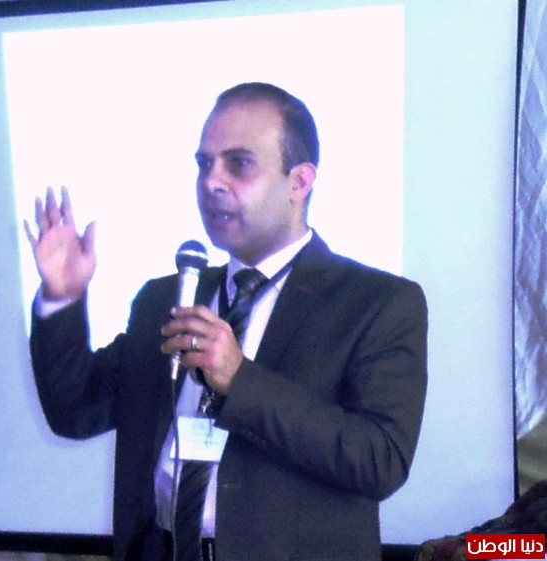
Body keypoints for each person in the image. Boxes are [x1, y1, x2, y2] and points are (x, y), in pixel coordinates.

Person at [26, 82, 428, 561]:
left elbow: (380, 461)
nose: (211, 182)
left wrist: (239, 380)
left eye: (238, 163)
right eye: (204, 163)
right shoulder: (166, 299)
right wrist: (62, 298)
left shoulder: (377, 303)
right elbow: (75, 411)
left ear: (299, 182)